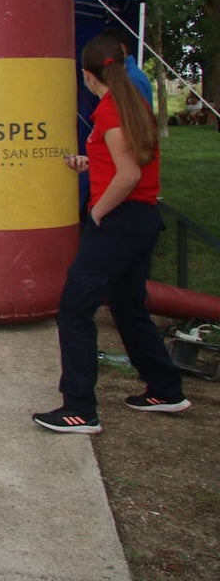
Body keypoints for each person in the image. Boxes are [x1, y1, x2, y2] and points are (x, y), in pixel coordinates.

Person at [33, 35, 190, 434]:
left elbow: (130, 175)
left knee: (74, 307)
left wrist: (98, 212)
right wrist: (91, 163)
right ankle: (166, 388)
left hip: (121, 220)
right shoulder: (131, 102)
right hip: (140, 218)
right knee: (127, 304)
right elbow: (125, 159)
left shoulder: (111, 109)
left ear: (87, 75)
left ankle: (79, 409)